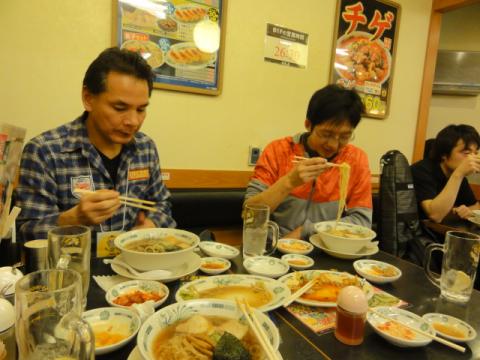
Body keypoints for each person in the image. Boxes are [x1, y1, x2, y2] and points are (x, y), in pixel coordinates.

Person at [16, 47, 176, 242]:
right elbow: (27, 231)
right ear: (88, 98)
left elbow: (161, 204)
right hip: (72, 268)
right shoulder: (44, 151)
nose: (133, 121)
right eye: (120, 108)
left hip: (133, 266)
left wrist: (150, 226)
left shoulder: (145, 148)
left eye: (141, 109)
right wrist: (72, 219)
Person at [244, 84, 372, 240]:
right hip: (273, 248)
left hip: (325, 249)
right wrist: (289, 182)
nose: (333, 144)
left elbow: (362, 222)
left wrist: (307, 231)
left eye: (345, 136)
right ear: (308, 124)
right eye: (326, 134)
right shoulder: (278, 151)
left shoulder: (355, 160)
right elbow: (249, 215)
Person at [411, 124, 480, 223]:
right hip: (417, 234)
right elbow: (435, 215)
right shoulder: (421, 170)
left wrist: (467, 211)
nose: (472, 158)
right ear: (444, 154)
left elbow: (475, 206)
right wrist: (458, 174)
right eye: (466, 153)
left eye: (475, 153)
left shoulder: (458, 175)